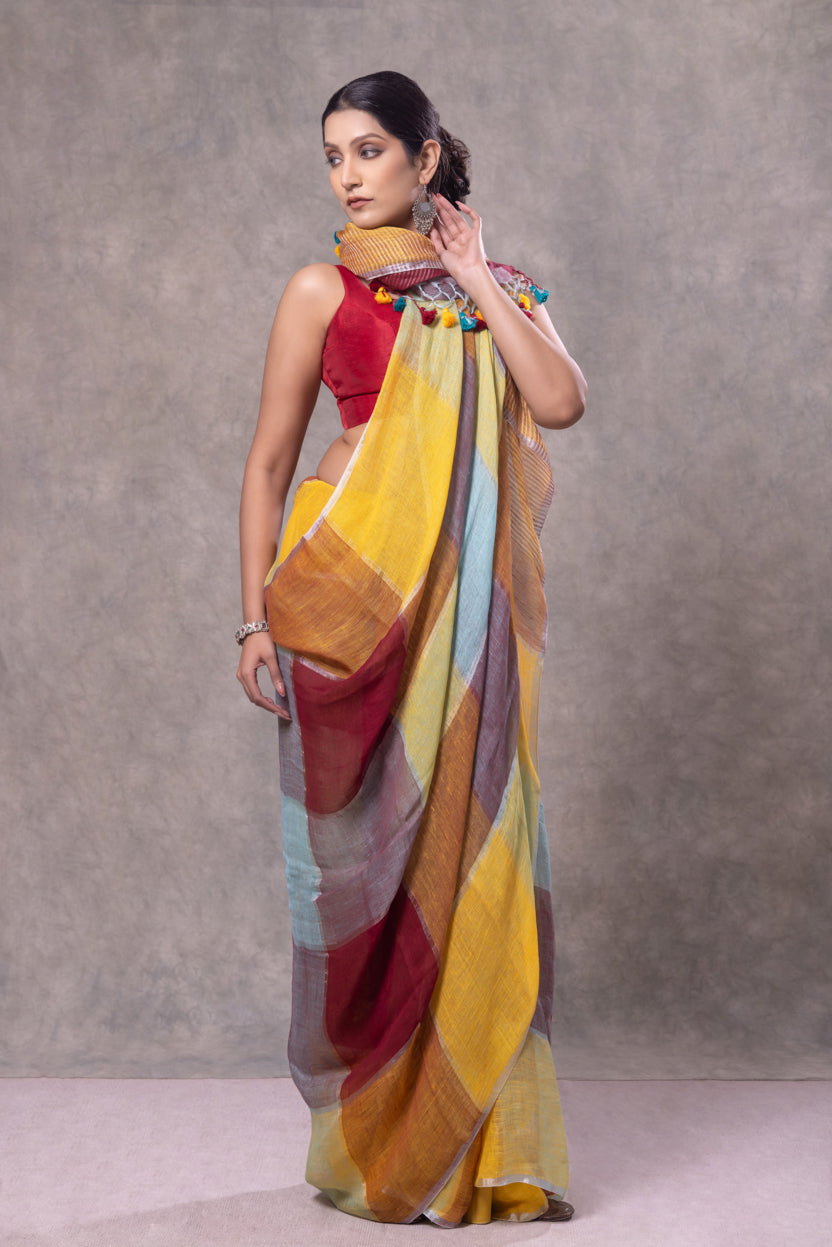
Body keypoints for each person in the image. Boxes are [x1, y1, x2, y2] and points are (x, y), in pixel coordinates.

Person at [236, 70, 586, 1226]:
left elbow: (560, 400)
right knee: (369, 870)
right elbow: (268, 462)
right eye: (333, 154)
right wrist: (251, 615)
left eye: (370, 151)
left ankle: (477, 1154)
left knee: (467, 851)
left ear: (425, 159)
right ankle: (381, 1136)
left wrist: (480, 280)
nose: (347, 173)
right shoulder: (315, 287)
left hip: (465, 618)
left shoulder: (497, 290)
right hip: (346, 609)